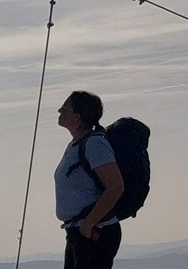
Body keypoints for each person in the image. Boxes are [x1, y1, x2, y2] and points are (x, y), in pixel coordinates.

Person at [56, 91, 125, 269]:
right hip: (81, 231)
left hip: (94, 232)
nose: (59, 111)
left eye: (64, 108)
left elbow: (116, 187)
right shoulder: (77, 144)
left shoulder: (95, 145)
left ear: (77, 117)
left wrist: (88, 224)